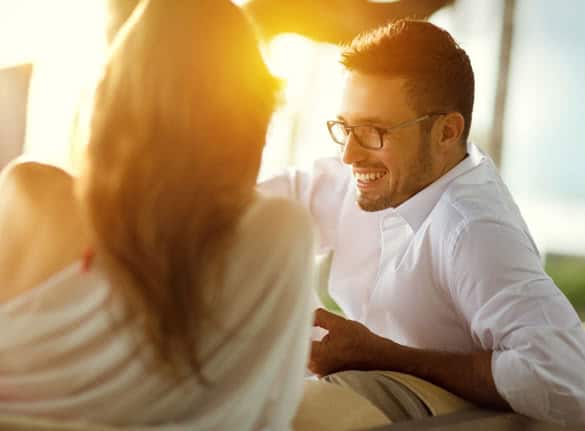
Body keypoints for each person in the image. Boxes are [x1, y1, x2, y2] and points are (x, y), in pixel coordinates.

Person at [0, 1, 316, 430]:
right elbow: (268, 411)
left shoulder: (29, 194)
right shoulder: (278, 233)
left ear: (110, 97)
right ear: (249, 115)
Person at [260, 19, 585, 426]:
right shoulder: (361, 178)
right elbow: (246, 211)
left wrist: (382, 354)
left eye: (374, 131)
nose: (349, 155)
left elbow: (568, 380)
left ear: (447, 131)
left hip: (450, 404)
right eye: (346, 127)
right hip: (369, 386)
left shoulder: (473, 229)